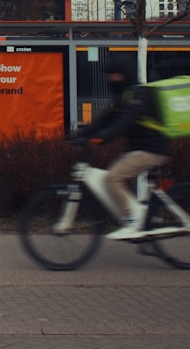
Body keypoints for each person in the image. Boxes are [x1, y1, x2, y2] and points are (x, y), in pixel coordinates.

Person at [73, 60, 170, 240]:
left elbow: (126, 120)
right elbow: (105, 117)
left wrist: (106, 136)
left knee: (113, 178)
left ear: (124, 75)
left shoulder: (140, 94)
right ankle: (144, 219)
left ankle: (132, 222)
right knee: (114, 175)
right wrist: (81, 134)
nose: (111, 79)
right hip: (140, 149)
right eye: (110, 75)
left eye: (114, 74)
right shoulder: (125, 96)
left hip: (151, 150)